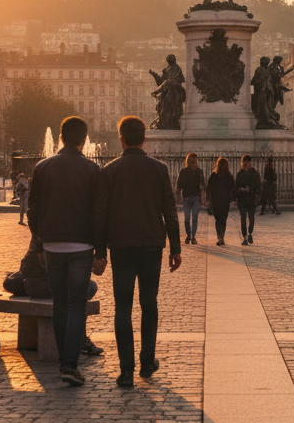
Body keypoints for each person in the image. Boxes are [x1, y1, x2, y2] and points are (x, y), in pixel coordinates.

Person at [93, 115, 183, 387]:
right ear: (145, 138)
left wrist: (99, 253)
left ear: (121, 138)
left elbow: (101, 215)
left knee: (122, 307)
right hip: (151, 244)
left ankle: (126, 370)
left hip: (121, 245)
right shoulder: (158, 169)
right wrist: (176, 248)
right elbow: (169, 210)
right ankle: (147, 361)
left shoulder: (109, 170)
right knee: (149, 303)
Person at [27, 116, 101, 387]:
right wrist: (101, 251)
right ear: (84, 140)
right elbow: (99, 213)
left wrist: (38, 245)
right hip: (82, 244)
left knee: (59, 304)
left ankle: (63, 362)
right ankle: (70, 363)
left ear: (60, 137)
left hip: (51, 244)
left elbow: (32, 210)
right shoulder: (92, 170)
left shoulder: (43, 167)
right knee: (76, 305)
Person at [206, 158, 235, 245]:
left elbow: (209, 189)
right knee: (223, 219)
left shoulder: (214, 175)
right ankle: (221, 236)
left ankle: (220, 236)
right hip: (224, 200)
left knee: (218, 219)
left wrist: (208, 199)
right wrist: (232, 198)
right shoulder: (228, 176)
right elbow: (233, 188)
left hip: (216, 200)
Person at [176, 152, 204, 245]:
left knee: (195, 217)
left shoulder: (199, 171)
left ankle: (193, 236)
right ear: (188, 160)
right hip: (187, 196)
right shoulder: (184, 171)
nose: (193, 160)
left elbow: (202, 184)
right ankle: (189, 235)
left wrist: (203, 195)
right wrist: (178, 193)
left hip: (196, 196)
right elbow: (179, 184)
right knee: (187, 218)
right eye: (192, 158)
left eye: (195, 158)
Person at [235, 155, 261, 245]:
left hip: (251, 198)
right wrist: (240, 189)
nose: (246, 163)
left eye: (248, 161)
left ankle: (250, 233)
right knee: (243, 218)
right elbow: (236, 185)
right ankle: (245, 237)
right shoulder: (240, 173)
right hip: (242, 198)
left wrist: (251, 189)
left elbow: (258, 185)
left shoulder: (254, 173)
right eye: (244, 161)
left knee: (251, 217)